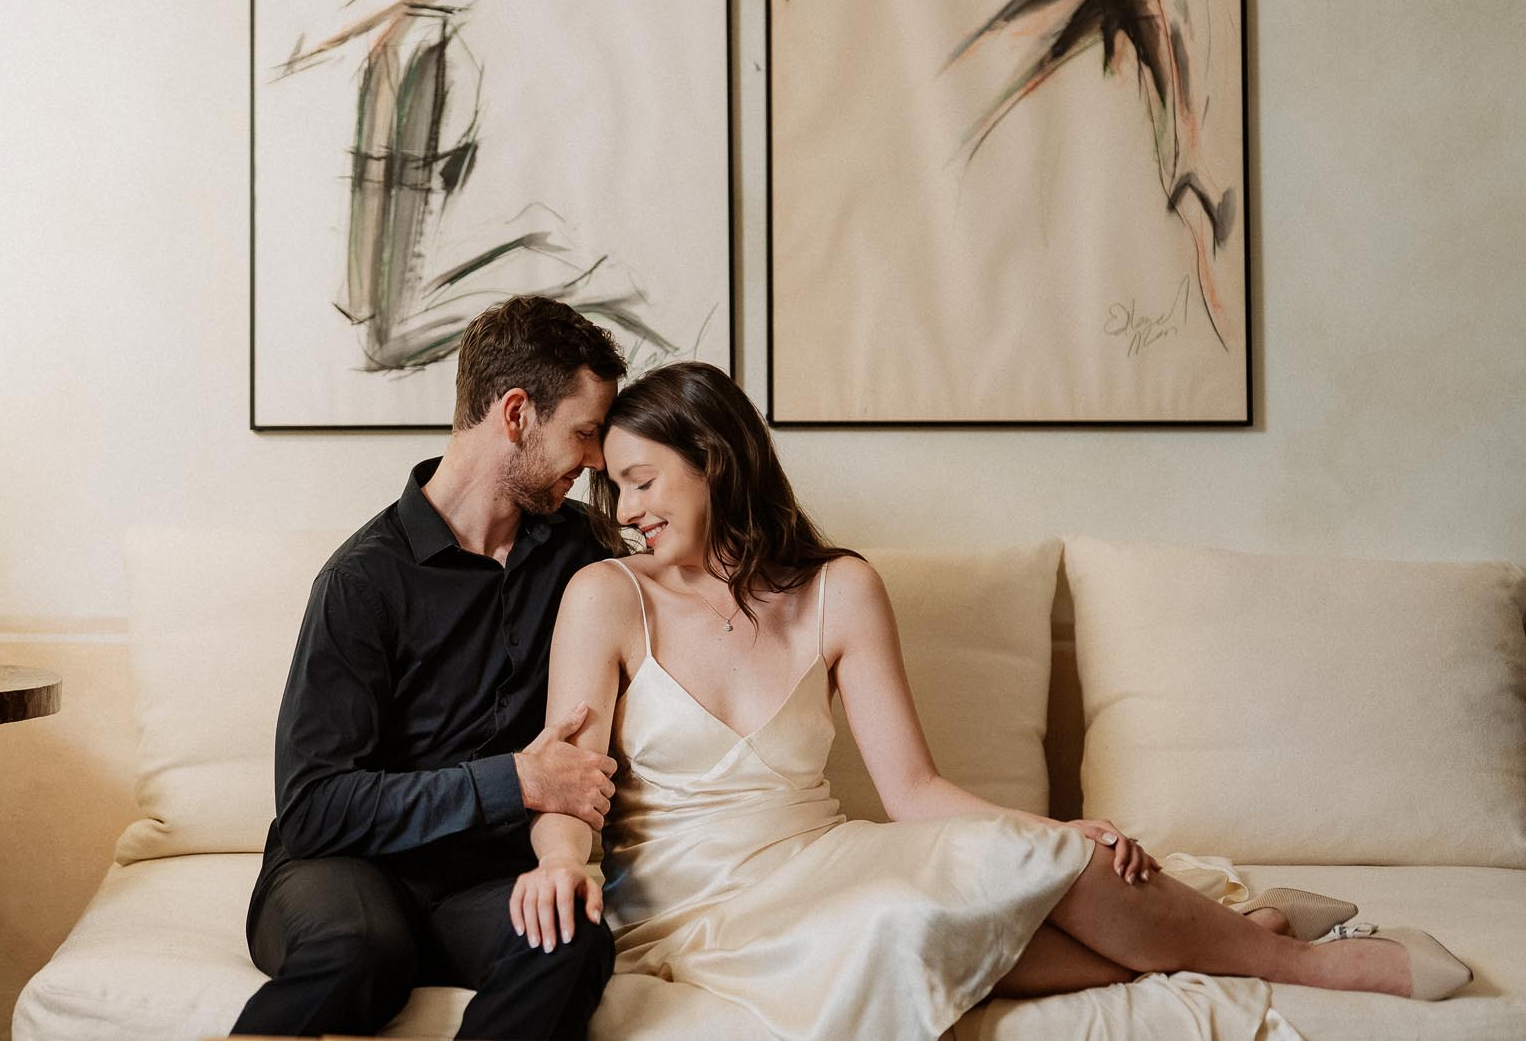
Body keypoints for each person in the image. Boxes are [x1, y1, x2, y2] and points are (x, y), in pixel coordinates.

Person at [509, 361, 1472, 1039]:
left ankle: (1297, 962)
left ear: (714, 459)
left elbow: (913, 788)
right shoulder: (607, 596)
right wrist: (558, 862)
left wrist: (1057, 832)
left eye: (640, 481)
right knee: (900, 926)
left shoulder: (840, 588)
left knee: (1035, 858)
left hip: (823, 853)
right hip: (694, 905)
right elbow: (565, 783)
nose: (625, 510)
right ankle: (1255, 940)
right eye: (615, 488)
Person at [233, 296, 629, 1040]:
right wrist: (516, 780)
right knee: (361, 954)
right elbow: (314, 806)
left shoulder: (583, 553)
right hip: (345, 870)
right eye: (585, 433)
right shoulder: (361, 579)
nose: (597, 460)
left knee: (571, 937)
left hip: (480, 885)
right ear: (517, 414)